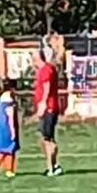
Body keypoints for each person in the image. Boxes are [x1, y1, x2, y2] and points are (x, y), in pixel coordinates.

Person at [34, 46, 66, 177]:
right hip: (47, 108)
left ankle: (51, 167)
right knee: (45, 138)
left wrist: (43, 103)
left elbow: (47, 88)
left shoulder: (47, 70)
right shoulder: (43, 70)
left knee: (48, 139)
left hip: (49, 108)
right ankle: (54, 165)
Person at [0, 80, 20, 178]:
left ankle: (3, 167)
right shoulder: (9, 99)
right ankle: (2, 166)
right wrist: (13, 130)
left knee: (4, 148)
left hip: (0, 126)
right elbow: (10, 116)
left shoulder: (1, 98)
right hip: (7, 127)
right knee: (9, 148)